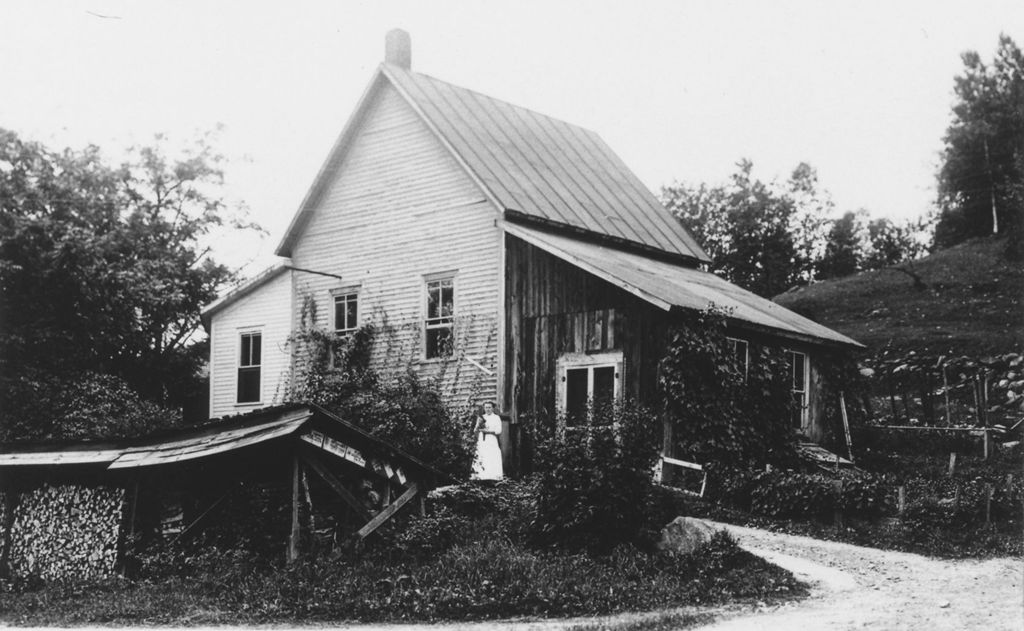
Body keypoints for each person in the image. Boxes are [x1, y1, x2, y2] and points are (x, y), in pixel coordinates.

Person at [471, 401, 503, 480]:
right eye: (486, 407)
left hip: (491, 439)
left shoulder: (496, 417)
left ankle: (493, 476)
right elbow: (475, 430)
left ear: (493, 408)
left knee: (492, 455)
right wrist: (478, 425)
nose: (488, 409)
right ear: (484, 408)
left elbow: (499, 431)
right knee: (482, 455)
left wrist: (488, 431)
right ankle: (481, 476)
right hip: (482, 440)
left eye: (489, 407)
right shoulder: (481, 417)